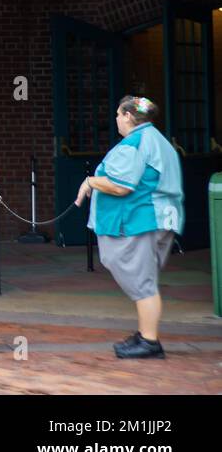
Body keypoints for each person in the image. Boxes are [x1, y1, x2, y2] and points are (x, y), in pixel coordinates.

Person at [75, 95, 183, 359]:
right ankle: (146, 333)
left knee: (142, 284)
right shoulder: (158, 140)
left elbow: (121, 186)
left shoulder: (134, 143)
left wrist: (91, 182)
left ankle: (149, 342)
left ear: (127, 116)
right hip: (155, 219)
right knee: (144, 280)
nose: (115, 120)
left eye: (118, 114)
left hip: (137, 222)